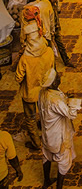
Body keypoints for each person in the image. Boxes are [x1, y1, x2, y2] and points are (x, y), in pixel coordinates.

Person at [39, 68, 80, 189]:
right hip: (59, 136)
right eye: (57, 77)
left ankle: (46, 181)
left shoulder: (42, 93)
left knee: (46, 155)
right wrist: (74, 105)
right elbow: (71, 114)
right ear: (53, 83)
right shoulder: (55, 100)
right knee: (63, 162)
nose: (59, 78)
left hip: (47, 134)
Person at [16, 17, 55, 149]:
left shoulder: (25, 59)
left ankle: (37, 143)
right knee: (44, 113)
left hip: (29, 93)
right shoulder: (48, 52)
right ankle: (48, 137)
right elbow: (52, 70)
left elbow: (18, 78)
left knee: (31, 118)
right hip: (44, 91)